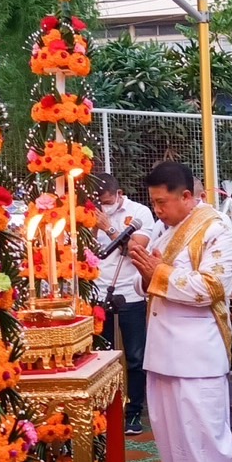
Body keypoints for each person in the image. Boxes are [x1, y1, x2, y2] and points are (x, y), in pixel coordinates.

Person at [128, 161, 232, 462]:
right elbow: (153, 282)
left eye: (163, 202)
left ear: (187, 196)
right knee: (171, 433)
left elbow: (211, 287)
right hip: (164, 351)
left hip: (198, 353)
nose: (156, 210)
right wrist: (147, 273)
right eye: (153, 203)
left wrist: (156, 272)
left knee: (202, 433)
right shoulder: (167, 227)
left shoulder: (216, 229)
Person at [94, 173, 155, 436]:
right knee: (101, 357)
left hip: (130, 293)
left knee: (135, 357)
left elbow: (135, 250)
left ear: (119, 194)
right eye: (100, 202)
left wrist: (108, 226)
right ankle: (103, 412)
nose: (104, 206)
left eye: (108, 201)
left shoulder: (139, 212)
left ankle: (133, 413)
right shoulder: (88, 215)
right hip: (97, 294)